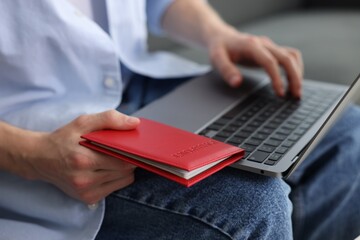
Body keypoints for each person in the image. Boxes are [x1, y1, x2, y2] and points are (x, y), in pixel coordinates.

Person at [0, 0, 359, 239]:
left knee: (349, 139)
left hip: (136, 84)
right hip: (36, 136)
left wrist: (219, 34)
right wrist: (32, 155)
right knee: (250, 207)